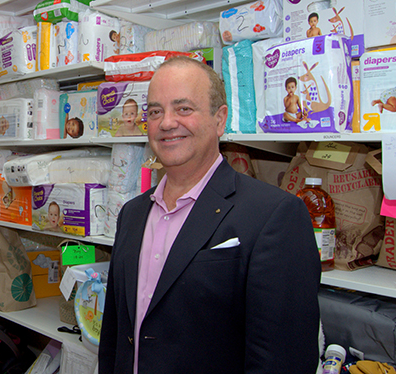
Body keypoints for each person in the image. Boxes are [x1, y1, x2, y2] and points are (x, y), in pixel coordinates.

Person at [99, 56, 320, 373]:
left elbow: (283, 361)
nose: (166, 122)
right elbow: (115, 336)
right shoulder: (132, 214)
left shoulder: (274, 215)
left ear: (220, 119)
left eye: (184, 109)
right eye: (155, 111)